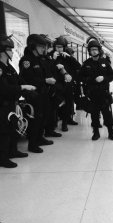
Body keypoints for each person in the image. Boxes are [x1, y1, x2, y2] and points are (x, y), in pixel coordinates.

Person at [0, 34, 36, 168]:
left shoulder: (9, 67)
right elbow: (3, 88)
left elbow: (18, 80)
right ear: (2, 51)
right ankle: (3, 158)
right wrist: (22, 87)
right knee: (3, 132)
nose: (11, 52)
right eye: (9, 49)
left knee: (13, 128)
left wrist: (28, 89)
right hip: (2, 105)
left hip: (11, 103)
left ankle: (13, 151)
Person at [19, 34, 54, 153]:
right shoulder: (26, 60)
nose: (43, 49)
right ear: (33, 46)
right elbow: (27, 79)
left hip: (43, 93)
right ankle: (32, 144)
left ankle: (40, 138)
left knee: (43, 116)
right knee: (35, 119)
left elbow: (44, 73)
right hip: (33, 95)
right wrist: (45, 81)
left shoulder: (40, 59)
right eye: (40, 46)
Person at [79, 37, 113, 141]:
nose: (93, 51)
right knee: (94, 115)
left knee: (107, 115)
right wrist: (91, 80)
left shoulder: (105, 62)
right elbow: (80, 77)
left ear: (99, 50)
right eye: (91, 49)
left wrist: (104, 78)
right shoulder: (86, 64)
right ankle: (95, 132)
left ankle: (111, 132)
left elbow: (111, 76)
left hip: (104, 94)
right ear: (89, 51)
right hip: (92, 94)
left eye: (95, 49)